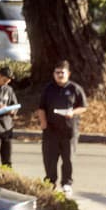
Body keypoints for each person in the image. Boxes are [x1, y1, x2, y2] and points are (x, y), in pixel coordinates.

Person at [35, 60, 87, 196]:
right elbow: (41, 108)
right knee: (50, 159)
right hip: (51, 131)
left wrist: (73, 112)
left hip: (69, 131)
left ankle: (66, 183)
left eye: (62, 73)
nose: (59, 75)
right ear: (53, 74)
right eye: (57, 73)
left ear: (68, 74)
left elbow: (83, 107)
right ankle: (50, 182)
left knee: (68, 159)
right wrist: (43, 123)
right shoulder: (48, 89)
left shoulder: (75, 89)